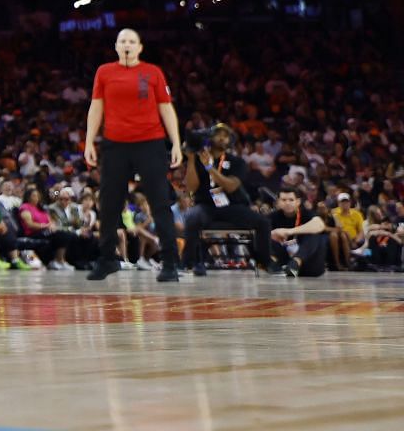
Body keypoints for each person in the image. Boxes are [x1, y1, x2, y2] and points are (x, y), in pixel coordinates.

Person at [83, 28, 182, 282]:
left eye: (131, 41)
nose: (127, 45)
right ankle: (107, 259)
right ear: (116, 46)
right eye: (122, 41)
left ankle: (170, 262)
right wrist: (89, 142)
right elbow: (96, 107)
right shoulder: (104, 72)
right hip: (115, 144)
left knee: (160, 202)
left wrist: (176, 144)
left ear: (140, 47)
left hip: (150, 142)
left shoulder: (153, 72)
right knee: (109, 202)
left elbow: (166, 108)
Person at [181, 124, 273, 275]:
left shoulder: (238, 162)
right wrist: (191, 160)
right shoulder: (198, 159)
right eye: (218, 134)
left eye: (226, 135)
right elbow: (191, 188)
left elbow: (231, 186)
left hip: (233, 206)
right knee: (192, 217)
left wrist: (210, 168)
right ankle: (188, 263)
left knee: (263, 222)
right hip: (206, 206)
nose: (222, 137)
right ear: (209, 138)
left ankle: (265, 262)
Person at [267, 188, 330, 277]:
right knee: (265, 236)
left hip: (308, 262)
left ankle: (296, 263)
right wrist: (273, 234)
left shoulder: (306, 214)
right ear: (278, 202)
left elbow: (320, 225)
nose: (287, 203)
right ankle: (273, 264)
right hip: (284, 259)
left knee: (314, 234)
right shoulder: (273, 216)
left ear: (298, 202)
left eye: (291, 200)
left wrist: (288, 232)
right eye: (284, 200)